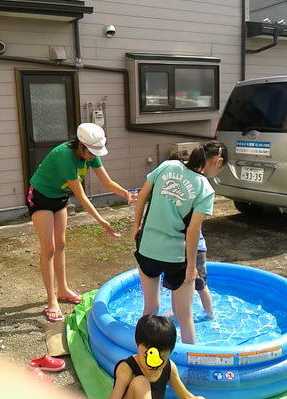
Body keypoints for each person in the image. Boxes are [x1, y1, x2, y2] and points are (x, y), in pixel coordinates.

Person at [26, 123, 131, 322]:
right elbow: (82, 197)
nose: (93, 156)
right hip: (40, 197)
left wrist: (125, 193)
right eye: (91, 152)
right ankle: (51, 300)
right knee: (49, 248)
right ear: (81, 145)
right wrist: (103, 222)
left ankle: (63, 289)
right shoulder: (64, 156)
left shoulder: (91, 152)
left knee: (62, 244)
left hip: (60, 198)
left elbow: (107, 182)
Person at [133, 142, 228, 344]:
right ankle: (190, 367)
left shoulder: (168, 166)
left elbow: (142, 195)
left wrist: (136, 227)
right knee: (185, 317)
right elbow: (193, 231)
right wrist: (192, 267)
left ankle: (140, 357)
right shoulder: (205, 189)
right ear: (217, 161)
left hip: (147, 248)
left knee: (150, 308)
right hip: (177, 258)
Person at [105, 314, 209, 399]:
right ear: (137, 345)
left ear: (169, 353)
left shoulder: (169, 367)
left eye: (161, 358)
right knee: (140, 382)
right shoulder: (127, 368)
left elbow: (185, 395)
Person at [168, 151, 214, 319]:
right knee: (175, 284)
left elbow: (193, 228)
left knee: (200, 284)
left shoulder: (197, 191)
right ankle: (175, 314)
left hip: (196, 248)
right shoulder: (174, 194)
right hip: (178, 247)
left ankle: (210, 314)